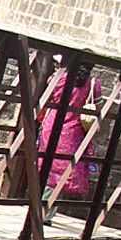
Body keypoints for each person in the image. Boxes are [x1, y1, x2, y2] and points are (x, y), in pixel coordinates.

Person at [37, 59, 102, 199]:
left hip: (52, 125)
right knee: (66, 168)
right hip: (73, 131)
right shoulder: (93, 84)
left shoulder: (58, 78)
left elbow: (47, 98)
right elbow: (98, 109)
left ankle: (38, 200)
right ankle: (49, 204)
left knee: (47, 163)